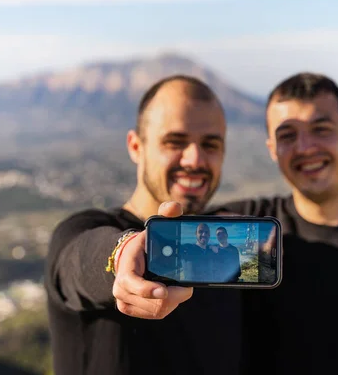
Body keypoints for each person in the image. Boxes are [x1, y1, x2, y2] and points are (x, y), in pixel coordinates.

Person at [113, 72, 338, 374]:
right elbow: (147, 236)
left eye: (321, 129)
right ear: (272, 148)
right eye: (287, 135)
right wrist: (125, 249)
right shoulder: (251, 227)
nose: (305, 147)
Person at [44, 75, 245, 375]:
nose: (194, 159)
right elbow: (77, 262)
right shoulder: (82, 229)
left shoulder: (231, 233)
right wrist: (123, 254)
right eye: (174, 142)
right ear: (136, 147)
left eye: (211, 145)